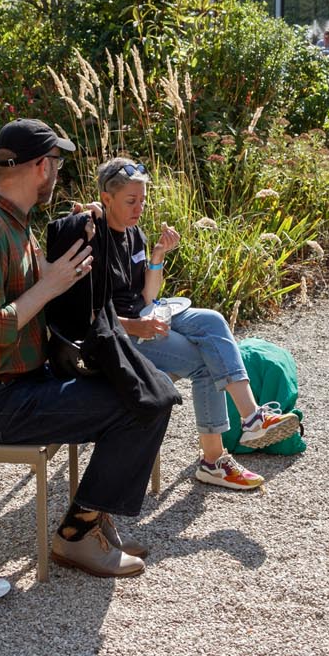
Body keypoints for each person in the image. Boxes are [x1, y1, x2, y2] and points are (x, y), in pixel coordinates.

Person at [0, 120, 173, 577]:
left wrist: (78, 228)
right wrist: (47, 286)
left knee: (151, 391)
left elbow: (51, 287)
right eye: (56, 163)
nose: (57, 171)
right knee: (139, 406)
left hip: (22, 382)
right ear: (38, 166)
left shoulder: (15, 224)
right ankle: (76, 534)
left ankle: (94, 520)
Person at [92, 157, 301, 490]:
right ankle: (214, 460)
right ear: (106, 198)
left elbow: (147, 296)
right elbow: (89, 313)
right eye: (131, 201)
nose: (139, 209)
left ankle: (252, 417)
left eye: (143, 201)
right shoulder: (94, 239)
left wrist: (157, 256)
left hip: (147, 316)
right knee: (205, 362)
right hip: (120, 336)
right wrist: (136, 327)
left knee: (212, 321)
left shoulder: (135, 234)